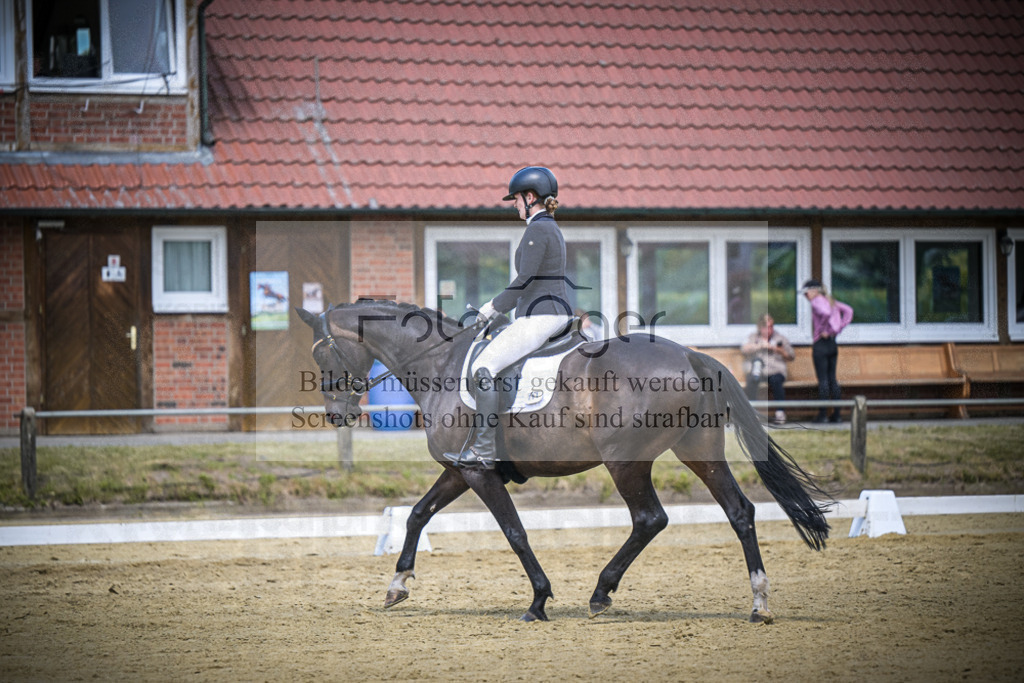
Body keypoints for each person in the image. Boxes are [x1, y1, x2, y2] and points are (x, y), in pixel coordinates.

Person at [444, 166, 572, 468]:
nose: (514, 205)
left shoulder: (537, 229)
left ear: (530, 197)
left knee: (483, 366)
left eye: (516, 199)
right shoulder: (549, 227)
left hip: (542, 315)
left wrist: (491, 308)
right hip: (548, 312)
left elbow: (525, 279)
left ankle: (484, 449)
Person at [801, 278, 854, 423]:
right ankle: (837, 415)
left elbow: (825, 313)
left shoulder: (816, 301)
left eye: (806, 293)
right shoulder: (830, 301)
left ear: (814, 291)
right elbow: (849, 311)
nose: (806, 297)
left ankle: (823, 415)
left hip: (821, 345)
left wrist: (824, 329)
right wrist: (836, 330)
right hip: (832, 343)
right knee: (832, 380)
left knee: (823, 380)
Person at [740, 313, 794, 424]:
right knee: (751, 380)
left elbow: (791, 355)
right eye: (766, 327)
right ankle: (752, 414)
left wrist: (778, 350)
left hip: (775, 370)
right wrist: (760, 345)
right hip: (758, 371)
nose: (769, 330)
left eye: (771, 326)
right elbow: (744, 349)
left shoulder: (780, 338)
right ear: (760, 328)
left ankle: (780, 414)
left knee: (776, 381)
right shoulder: (753, 337)